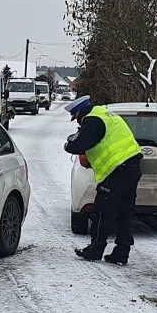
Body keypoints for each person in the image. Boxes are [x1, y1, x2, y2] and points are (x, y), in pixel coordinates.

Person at [63, 95, 143, 266]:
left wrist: (68, 144)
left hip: (117, 170)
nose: (77, 122)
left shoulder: (93, 120)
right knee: (125, 212)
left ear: (79, 112)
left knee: (102, 211)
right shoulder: (105, 114)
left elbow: (79, 145)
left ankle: (95, 249)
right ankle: (121, 253)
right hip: (132, 166)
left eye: (75, 117)